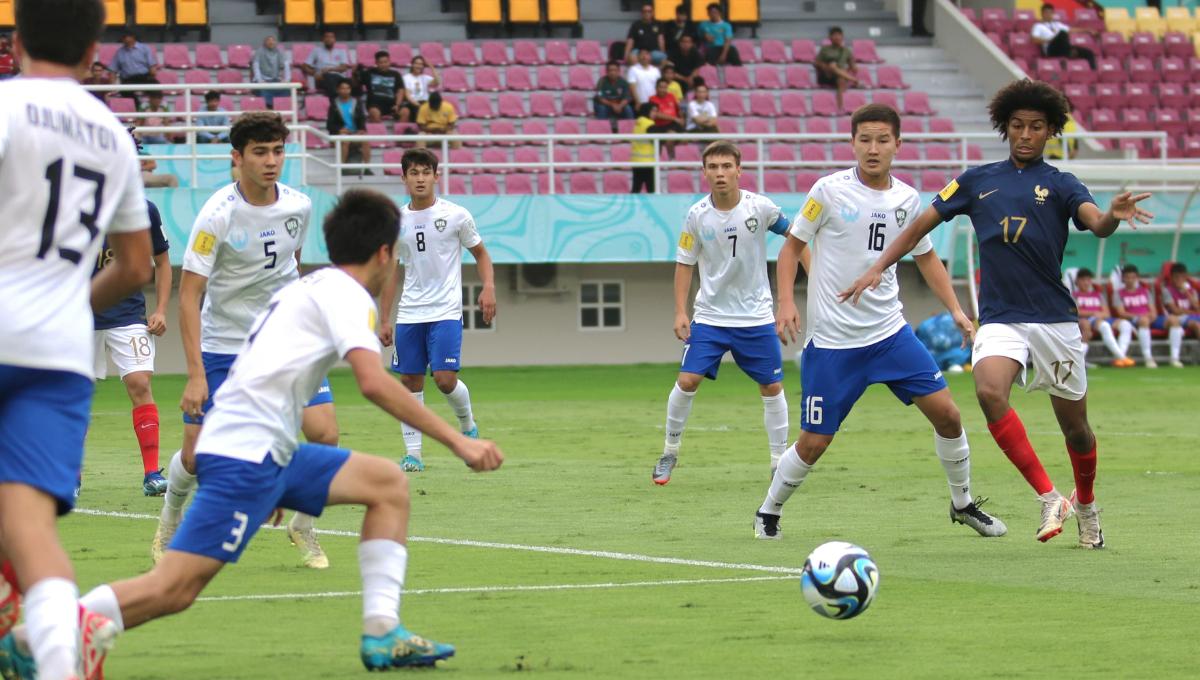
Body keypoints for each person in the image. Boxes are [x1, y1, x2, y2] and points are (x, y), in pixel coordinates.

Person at [2, 190, 505, 676]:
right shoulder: (349, 298)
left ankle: (382, 631)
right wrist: (460, 441)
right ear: (383, 253)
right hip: (246, 457)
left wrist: (280, 473)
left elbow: (268, 377)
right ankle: (33, 640)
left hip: (262, 452)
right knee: (174, 589)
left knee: (387, 486)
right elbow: (374, 383)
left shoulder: (305, 289)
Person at [842, 79, 1154, 549]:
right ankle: (1050, 497)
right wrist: (877, 268)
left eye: (1035, 127)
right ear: (1004, 128)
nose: (1025, 135)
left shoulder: (1063, 184)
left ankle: (1086, 505)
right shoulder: (974, 181)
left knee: (1078, 430)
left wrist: (1112, 214)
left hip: (1054, 321)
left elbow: (1097, 224)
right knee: (988, 390)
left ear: (1051, 132)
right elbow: (915, 228)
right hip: (1001, 317)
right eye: (1016, 126)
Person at [759, 103, 1006, 540]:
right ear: (852, 143)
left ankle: (963, 504)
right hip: (834, 343)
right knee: (814, 442)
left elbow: (927, 258)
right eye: (865, 139)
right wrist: (785, 302)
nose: (873, 149)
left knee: (948, 415)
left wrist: (957, 311)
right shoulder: (828, 191)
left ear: (898, 144)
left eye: (882, 140)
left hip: (891, 336)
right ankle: (768, 512)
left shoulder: (907, 200)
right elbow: (790, 247)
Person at [0, 1, 153, 677]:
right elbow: (137, 266)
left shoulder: (6, 107)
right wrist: (65, 305)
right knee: (32, 533)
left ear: (14, 40)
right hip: (58, 354)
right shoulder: (112, 134)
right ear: (96, 50)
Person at [152, 112, 340, 572]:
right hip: (224, 347)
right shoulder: (217, 214)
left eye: (277, 151)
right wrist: (196, 374)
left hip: (287, 342)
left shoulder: (299, 205)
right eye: (259, 152)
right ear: (237, 158)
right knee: (196, 458)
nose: (271, 161)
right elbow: (188, 296)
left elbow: (292, 265)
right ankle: (169, 520)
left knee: (325, 434)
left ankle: (303, 524)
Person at [652, 141, 792, 485]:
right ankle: (669, 452)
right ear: (704, 173)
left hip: (756, 317)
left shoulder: (761, 208)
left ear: (739, 170)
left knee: (771, 387)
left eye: (726, 166)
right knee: (687, 380)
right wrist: (679, 312)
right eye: (712, 167)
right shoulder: (697, 214)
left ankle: (779, 462)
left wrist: (790, 298)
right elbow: (684, 263)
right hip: (711, 317)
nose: (720, 173)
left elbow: (797, 240)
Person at [378, 149, 497, 472]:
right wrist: (384, 318)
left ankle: (468, 424)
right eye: (413, 173)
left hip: (445, 311)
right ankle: (413, 454)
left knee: (444, 380)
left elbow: (482, 254)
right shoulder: (395, 222)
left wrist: (488, 288)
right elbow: (391, 271)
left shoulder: (456, 215)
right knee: (410, 382)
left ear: (435, 175)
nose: (420, 179)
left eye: (425, 172)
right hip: (410, 314)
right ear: (404, 178)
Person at [92, 134, 174, 497]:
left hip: (127, 314)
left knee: (140, 385)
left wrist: (159, 309)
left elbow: (162, 261)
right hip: (78, 318)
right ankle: (69, 478)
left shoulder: (146, 210)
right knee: (70, 395)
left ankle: (151, 474)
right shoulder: (73, 205)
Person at [1072, 268, 1131, 366]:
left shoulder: (1098, 295)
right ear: (1077, 281)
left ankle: (1120, 357)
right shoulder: (1074, 295)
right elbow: (1076, 312)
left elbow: (1106, 313)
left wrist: (1097, 314)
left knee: (1126, 325)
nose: (1086, 283)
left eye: (1088, 280)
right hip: (1086, 320)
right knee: (1104, 326)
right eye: (1083, 280)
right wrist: (1093, 313)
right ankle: (1122, 358)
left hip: (1101, 318)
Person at [1112, 264, 1157, 367]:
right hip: (1130, 319)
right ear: (1123, 278)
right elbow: (1121, 313)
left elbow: (1153, 311)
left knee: (1147, 321)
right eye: (1127, 277)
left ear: (1137, 278)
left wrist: (1149, 317)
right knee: (1143, 321)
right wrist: (1140, 316)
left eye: (1133, 277)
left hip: (1147, 319)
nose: (1130, 280)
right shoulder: (1118, 293)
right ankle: (1148, 357)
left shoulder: (1145, 291)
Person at [1158, 262, 1199, 367]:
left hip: (1192, 316)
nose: (1179, 280)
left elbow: (1197, 307)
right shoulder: (1167, 290)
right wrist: (1192, 312)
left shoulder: (1191, 291)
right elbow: (1175, 310)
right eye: (1176, 277)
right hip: (1176, 318)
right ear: (1171, 277)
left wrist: (1187, 293)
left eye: (1182, 277)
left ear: (1186, 277)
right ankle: (1174, 358)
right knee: (1196, 325)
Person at [1031, 3, 1097, 70]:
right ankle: (1069, 52)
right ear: (1042, 14)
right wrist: (1049, 40)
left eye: (1050, 12)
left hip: (1063, 48)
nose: (1048, 14)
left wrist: (1087, 30)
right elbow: (1034, 39)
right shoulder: (1038, 26)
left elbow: (1070, 30)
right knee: (1062, 33)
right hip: (1051, 49)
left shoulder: (1057, 24)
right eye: (1046, 12)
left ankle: (1094, 72)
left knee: (1089, 53)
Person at [328, 80, 372, 175]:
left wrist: (361, 130)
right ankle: (341, 168)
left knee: (365, 140)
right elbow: (330, 124)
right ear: (338, 90)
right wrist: (339, 129)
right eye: (342, 88)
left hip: (354, 133)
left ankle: (367, 168)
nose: (345, 90)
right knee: (345, 141)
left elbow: (362, 119)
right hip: (341, 134)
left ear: (350, 90)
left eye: (347, 88)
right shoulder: (334, 104)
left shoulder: (357, 102)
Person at [815, 26, 858, 112]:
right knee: (832, 65)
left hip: (839, 76)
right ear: (830, 38)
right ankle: (854, 80)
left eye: (839, 35)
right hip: (826, 75)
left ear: (842, 37)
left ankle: (840, 107)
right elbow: (817, 62)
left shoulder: (846, 51)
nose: (837, 37)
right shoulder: (825, 49)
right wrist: (825, 67)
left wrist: (852, 67)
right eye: (834, 35)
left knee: (841, 80)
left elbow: (853, 66)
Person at [109, 31, 158, 104]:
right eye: (123, 38)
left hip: (144, 77)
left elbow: (152, 66)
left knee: (156, 90)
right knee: (124, 92)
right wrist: (112, 86)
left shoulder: (144, 48)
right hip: (128, 79)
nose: (124, 39)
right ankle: (138, 109)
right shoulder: (119, 52)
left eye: (125, 37)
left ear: (132, 37)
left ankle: (154, 110)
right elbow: (113, 70)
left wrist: (152, 77)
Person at [302, 30, 351, 99]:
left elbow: (344, 68)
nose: (329, 39)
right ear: (322, 39)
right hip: (322, 78)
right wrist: (315, 73)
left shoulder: (341, 52)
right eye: (326, 37)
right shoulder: (316, 51)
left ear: (335, 39)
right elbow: (304, 66)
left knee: (349, 82)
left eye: (331, 37)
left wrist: (331, 69)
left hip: (338, 78)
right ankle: (336, 101)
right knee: (329, 78)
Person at [364, 50, 406, 123]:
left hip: (392, 105)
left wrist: (397, 105)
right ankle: (379, 133)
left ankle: (400, 133)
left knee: (405, 111)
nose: (384, 64)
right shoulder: (369, 73)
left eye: (386, 62)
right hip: (375, 105)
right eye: (381, 62)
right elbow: (356, 83)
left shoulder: (396, 74)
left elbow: (400, 90)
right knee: (374, 113)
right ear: (376, 63)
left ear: (389, 61)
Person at [251, 35, 290, 110]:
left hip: (276, 80)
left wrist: (287, 80)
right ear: (264, 43)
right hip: (263, 80)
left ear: (275, 42)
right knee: (262, 90)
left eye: (273, 40)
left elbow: (286, 64)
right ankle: (268, 109)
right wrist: (260, 81)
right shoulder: (259, 52)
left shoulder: (280, 51)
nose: (271, 42)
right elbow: (256, 66)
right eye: (268, 40)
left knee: (287, 89)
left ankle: (281, 109)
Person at [648, 78, 683, 160]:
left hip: (673, 125)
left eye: (665, 87)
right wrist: (674, 118)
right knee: (670, 136)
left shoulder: (671, 96)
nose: (663, 89)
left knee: (687, 138)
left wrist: (682, 118)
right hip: (659, 126)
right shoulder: (652, 99)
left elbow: (678, 110)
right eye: (661, 87)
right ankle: (671, 159)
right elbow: (656, 114)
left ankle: (674, 158)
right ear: (656, 88)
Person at [595, 60, 635, 125]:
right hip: (606, 105)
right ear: (607, 72)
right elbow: (600, 98)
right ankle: (601, 130)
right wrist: (612, 105)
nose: (613, 72)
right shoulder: (601, 81)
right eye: (610, 70)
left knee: (628, 108)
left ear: (619, 71)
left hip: (619, 105)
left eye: (615, 70)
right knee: (602, 108)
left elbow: (627, 97)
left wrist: (620, 106)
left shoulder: (623, 82)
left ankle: (631, 130)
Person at [401, 56, 439, 123]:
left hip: (425, 103)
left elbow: (437, 82)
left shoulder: (425, 77)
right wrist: (420, 106)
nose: (419, 66)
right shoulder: (406, 77)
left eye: (421, 64)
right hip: (413, 103)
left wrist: (431, 67)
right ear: (412, 65)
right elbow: (408, 96)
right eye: (416, 63)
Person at [631, 103, 657, 194]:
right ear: (647, 111)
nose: (655, 113)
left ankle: (632, 207)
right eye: (653, 111)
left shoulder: (638, 122)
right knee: (651, 189)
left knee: (636, 188)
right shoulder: (649, 124)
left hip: (636, 161)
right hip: (648, 161)